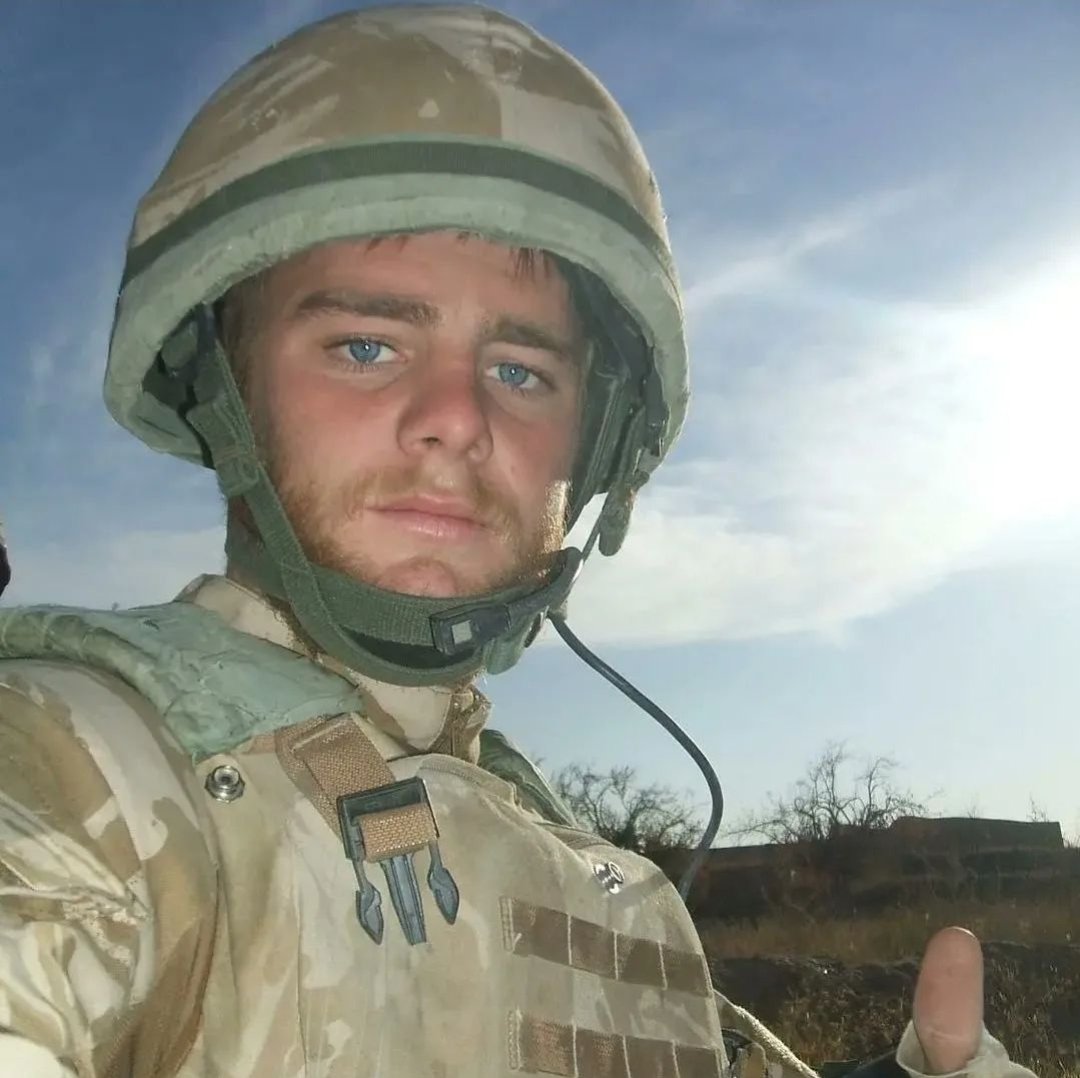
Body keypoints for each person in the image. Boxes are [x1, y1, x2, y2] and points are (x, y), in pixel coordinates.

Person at [0, 6, 1035, 1077]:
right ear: (228, 392)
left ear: (598, 444)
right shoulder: (72, 768)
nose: (457, 417)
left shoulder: (579, 867)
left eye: (519, 370)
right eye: (366, 345)